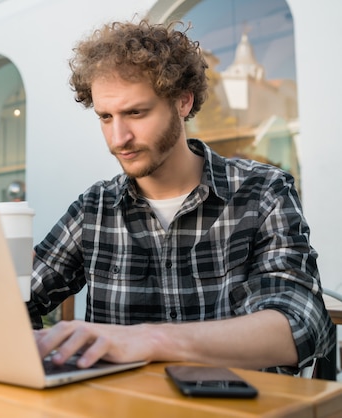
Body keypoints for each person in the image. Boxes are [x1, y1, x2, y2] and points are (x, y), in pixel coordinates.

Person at [27, 19, 335, 375]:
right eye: (105, 117)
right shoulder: (94, 208)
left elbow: (300, 324)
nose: (118, 138)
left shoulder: (262, 192)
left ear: (183, 102)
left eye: (135, 113)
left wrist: (153, 340)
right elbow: (16, 300)